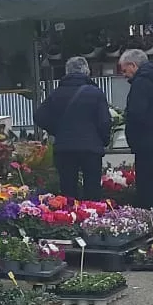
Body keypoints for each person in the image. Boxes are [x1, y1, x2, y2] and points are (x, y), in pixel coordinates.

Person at [35, 56, 112, 200]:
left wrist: (57, 130)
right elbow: (104, 122)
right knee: (92, 188)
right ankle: (92, 217)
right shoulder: (95, 93)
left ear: (67, 72)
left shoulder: (56, 93)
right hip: (91, 148)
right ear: (87, 71)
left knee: (68, 190)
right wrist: (103, 140)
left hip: (65, 149)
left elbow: (39, 116)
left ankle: (70, 218)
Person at [118, 47, 153, 229]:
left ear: (133, 65)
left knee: (146, 189)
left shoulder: (141, 83)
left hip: (147, 144)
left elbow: (136, 114)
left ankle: (149, 228)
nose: (124, 75)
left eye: (124, 70)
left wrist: (131, 135)